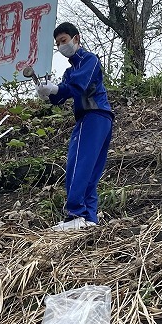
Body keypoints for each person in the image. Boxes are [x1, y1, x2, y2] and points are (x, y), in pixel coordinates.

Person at [35, 22, 113, 231]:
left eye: (64, 40)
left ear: (76, 38)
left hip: (93, 115)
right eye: (58, 43)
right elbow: (61, 95)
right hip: (98, 118)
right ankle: (89, 217)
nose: (61, 46)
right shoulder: (70, 71)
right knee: (90, 168)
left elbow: (78, 87)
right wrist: (48, 92)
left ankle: (75, 214)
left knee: (78, 163)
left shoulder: (90, 60)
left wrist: (55, 89)